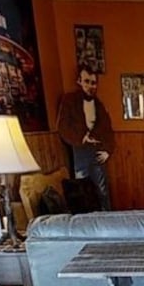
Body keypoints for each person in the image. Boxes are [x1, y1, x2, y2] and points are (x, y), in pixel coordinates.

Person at [57, 66, 115, 210]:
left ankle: (107, 221)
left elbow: (108, 129)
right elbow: (63, 128)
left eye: (93, 83)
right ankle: (86, 224)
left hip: (97, 152)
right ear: (79, 81)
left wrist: (108, 150)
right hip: (79, 152)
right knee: (82, 190)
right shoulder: (69, 101)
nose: (90, 86)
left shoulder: (99, 105)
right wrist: (82, 139)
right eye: (87, 82)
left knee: (102, 191)